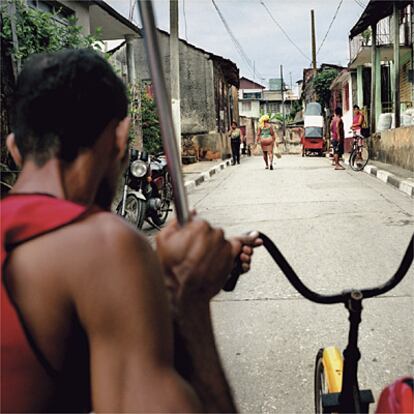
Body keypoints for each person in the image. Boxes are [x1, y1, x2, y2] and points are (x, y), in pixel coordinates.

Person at [1, 49, 262, 413]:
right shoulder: (101, 245)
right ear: (120, 137)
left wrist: (160, 274)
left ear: (15, 149)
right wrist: (189, 297)